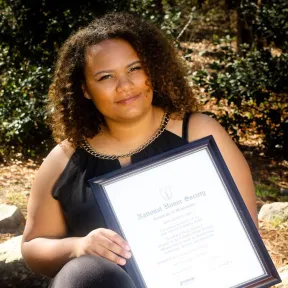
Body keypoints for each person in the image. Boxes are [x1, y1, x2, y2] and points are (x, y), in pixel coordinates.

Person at [21, 12, 258, 287]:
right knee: (83, 272)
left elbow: (245, 231)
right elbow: (32, 246)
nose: (125, 86)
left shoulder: (199, 132)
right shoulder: (63, 160)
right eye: (106, 77)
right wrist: (78, 247)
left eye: (134, 68)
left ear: (151, 70)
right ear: (85, 89)